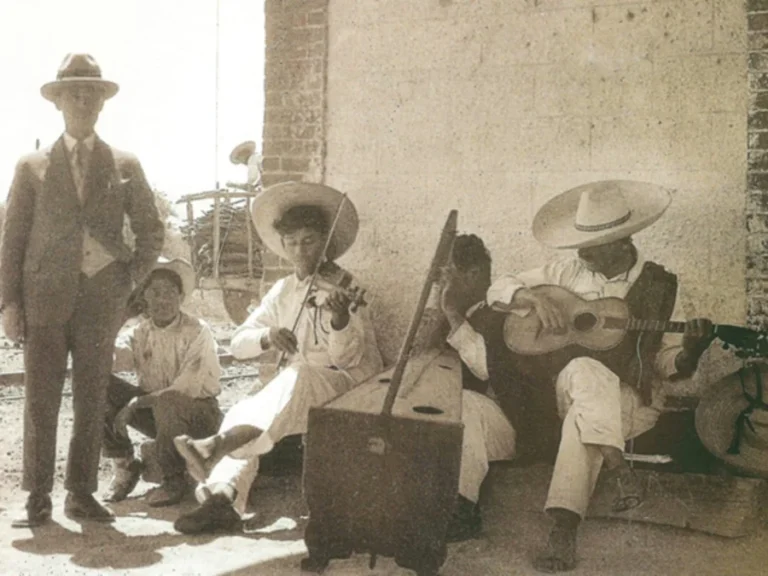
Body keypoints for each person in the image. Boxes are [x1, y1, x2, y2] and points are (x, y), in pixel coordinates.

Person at [485, 181, 713, 572]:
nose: (581, 251)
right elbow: (498, 288)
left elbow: (668, 366)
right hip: (566, 392)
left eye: (593, 244)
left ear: (623, 242)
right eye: (580, 242)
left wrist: (691, 350)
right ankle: (619, 468)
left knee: (586, 409)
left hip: (631, 403)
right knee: (583, 372)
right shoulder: (566, 271)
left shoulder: (661, 287)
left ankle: (564, 527)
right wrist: (533, 298)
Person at [1, 53, 164, 527]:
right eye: (73, 93)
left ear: (102, 102)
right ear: (57, 102)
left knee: (91, 397)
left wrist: (128, 282)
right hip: (44, 301)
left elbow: (150, 230)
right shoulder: (31, 166)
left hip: (101, 302)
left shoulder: (123, 163)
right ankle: (37, 497)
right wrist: (9, 303)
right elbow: (12, 239)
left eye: (90, 93)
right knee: (40, 399)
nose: (82, 101)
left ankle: (81, 493)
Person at [171, 182, 382, 534]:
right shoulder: (282, 290)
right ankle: (222, 498)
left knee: (299, 377)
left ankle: (217, 446)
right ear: (283, 245)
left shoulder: (345, 287)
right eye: (292, 241)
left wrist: (339, 319)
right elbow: (238, 344)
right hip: (302, 386)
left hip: (349, 383)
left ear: (325, 243)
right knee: (249, 404)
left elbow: (347, 360)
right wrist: (267, 336)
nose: (300, 250)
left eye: (309, 241)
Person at [102, 257, 223, 507]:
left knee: (168, 400)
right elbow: (108, 359)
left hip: (200, 416)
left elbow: (185, 389)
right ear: (144, 298)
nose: (163, 300)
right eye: (155, 293)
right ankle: (124, 465)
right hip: (160, 418)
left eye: (170, 292)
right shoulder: (140, 332)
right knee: (100, 384)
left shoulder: (198, 331)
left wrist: (136, 403)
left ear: (181, 297)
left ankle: (173, 479)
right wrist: (121, 317)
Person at [438, 233, 517, 541]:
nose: (441, 285)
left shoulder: (503, 314)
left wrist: (451, 313)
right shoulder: (460, 315)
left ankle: (462, 509)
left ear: (472, 275)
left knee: (465, 403)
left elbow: (486, 369)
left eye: (447, 275)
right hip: (471, 433)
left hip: (507, 427)